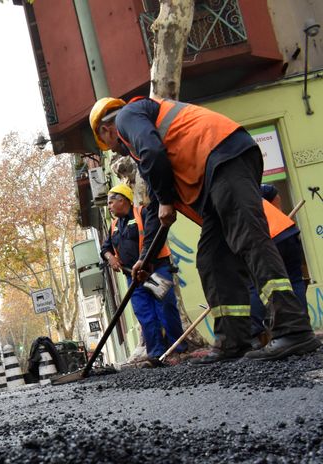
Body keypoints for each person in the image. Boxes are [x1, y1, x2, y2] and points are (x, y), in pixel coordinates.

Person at [90, 96, 319, 363]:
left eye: (108, 145)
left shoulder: (128, 116)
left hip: (224, 156)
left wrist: (165, 200)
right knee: (212, 258)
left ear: (106, 130)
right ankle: (233, 341)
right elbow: (155, 211)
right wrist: (147, 259)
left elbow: (153, 157)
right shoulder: (149, 153)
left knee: (249, 240)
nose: (115, 151)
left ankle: (293, 329)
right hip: (214, 176)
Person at [100, 183, 186, 363]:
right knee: (145, 314)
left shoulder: (144, 213)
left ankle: (178, 349)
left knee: (166, 308)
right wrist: (111, 258)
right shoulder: (114, 225)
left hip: (155, 271)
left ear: (122, 200)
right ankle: (156, 354)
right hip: (134, 278)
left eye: (110, 202)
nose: (108, 206)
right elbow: (106, 248)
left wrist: (144, 262)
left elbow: (152, 239)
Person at [248, 185, 309, 347]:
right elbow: (271, 191)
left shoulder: (221, 200)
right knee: (295, 281)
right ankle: (303, 329)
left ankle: (255, 336)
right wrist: (278, 215)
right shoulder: (246, 188)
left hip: (266, 239)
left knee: (253, 285)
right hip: (287, 231)